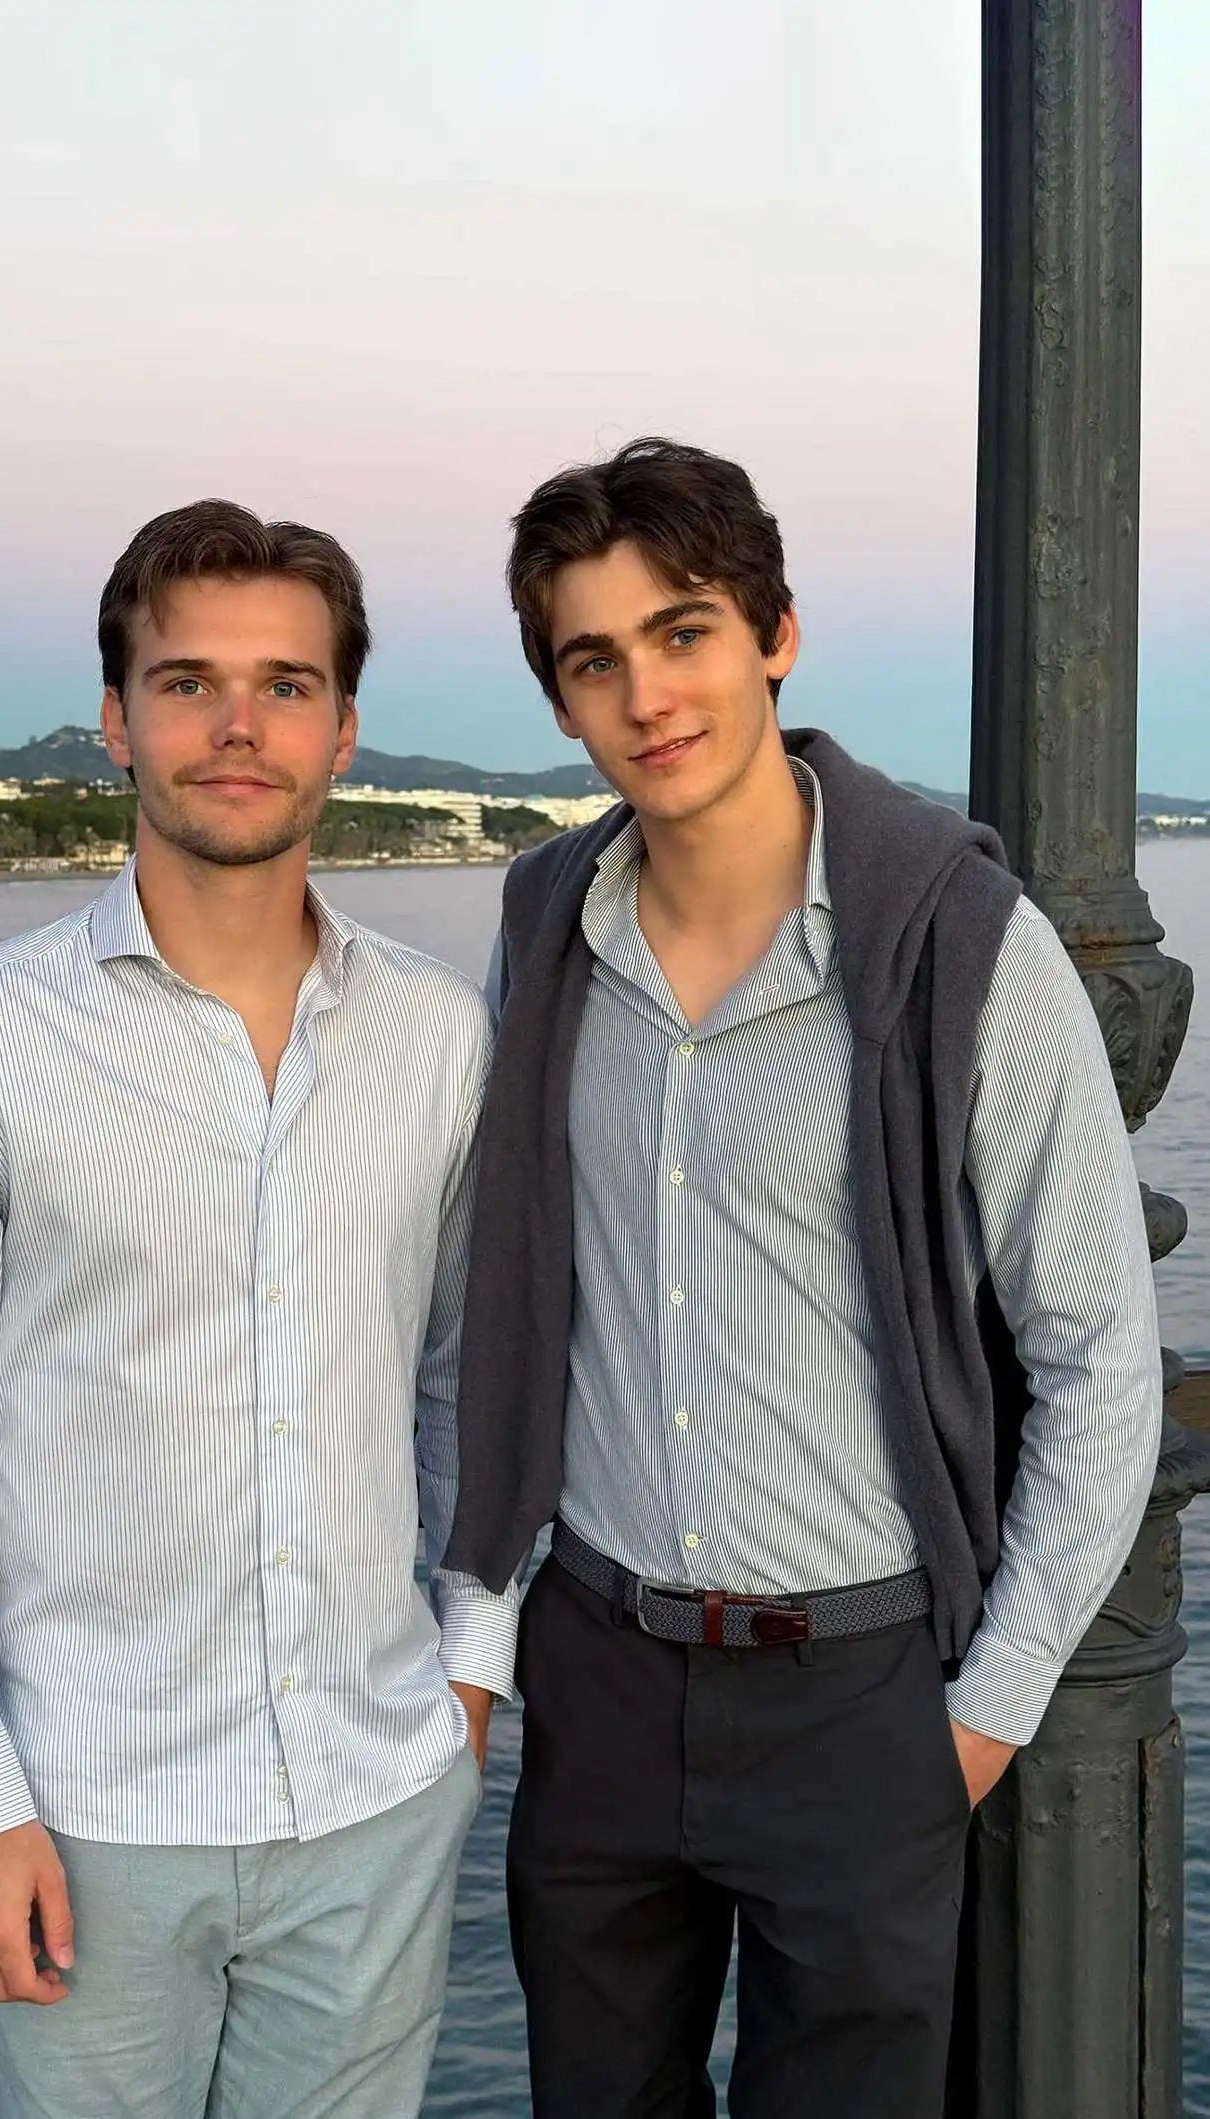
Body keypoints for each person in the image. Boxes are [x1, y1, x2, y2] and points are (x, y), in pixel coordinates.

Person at [443, 437, 1161, 2118]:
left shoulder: (964, 946)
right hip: (601, 1673)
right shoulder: (547, 927)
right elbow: (502, 1283)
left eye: (682, 631)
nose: (646, 694)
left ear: (774, 631)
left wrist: (980, 1718)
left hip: (863, 1695)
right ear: (562, 703)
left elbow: (1100, 1354)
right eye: (593, 659)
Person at [0, 500, 516, 2119]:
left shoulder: (436, 1040)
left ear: (343, 730)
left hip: (375, 1800)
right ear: (116, 719)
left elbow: (465, 1383)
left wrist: (472, 1671)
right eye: (188, 679)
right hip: (82, 1819)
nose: (236, 723)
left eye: (285, 684)